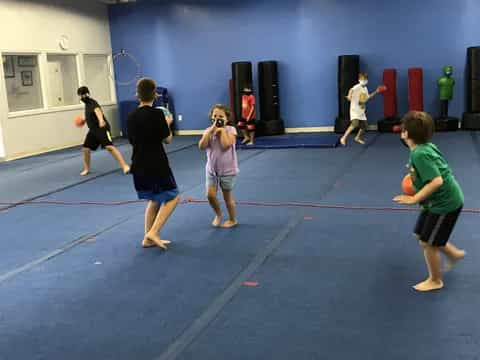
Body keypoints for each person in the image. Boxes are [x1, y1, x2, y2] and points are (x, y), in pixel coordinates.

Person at [393, 111, 466, 292]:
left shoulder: (420, 154)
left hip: (444, 204)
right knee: (421, 234)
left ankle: (435, 280)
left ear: (406, 134)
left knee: (428, 243)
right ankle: (454, 254)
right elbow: (435, 169)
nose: (401, 131)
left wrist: (414, 198)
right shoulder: (424, 147)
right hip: (435, 202)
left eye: (403, 129)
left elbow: (437, 180)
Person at [127, 78, 179, 250]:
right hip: (156, 163)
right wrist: (167, 124)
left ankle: (147, 239)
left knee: (154, 199)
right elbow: (168, 139)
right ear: (155, 94)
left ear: (138, 95)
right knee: (173, 197)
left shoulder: (131, 116)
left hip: (138, 164)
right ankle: (153, 232)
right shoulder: (157, 114)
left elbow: (132, 140)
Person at [198, 104, 239, 228]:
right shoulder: (207, 131)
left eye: (220, 116)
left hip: (228, 171)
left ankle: (232, 219)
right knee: (210, 195)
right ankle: (218, 214)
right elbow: (201, 146)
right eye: (215, 116)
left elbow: (226, 144)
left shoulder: (231, 130)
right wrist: (209, 133)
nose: (217, 119)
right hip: (211, 170)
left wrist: (221, 131)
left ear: (227, 119)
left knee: (228, 198)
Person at [77, 86, 130, 176]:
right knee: (85, 149)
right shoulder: (87, 105)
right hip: (93, 130)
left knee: (109, 147)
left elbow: (97, 111)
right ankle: (87, 169)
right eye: (81, 95)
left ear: (88, 94)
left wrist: (101, 120)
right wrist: (84, 120)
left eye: (84, 95)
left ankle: (125, 166)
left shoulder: (93, 102)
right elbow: (90, 114)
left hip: (102, 129)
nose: (82, 97)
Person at [340, 73, 380, 146]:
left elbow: (368, 97)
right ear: (359, 80)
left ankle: (357, 137)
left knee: (364, 126)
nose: (364, 80)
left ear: (367, 80)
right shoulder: (357, 87)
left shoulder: (365, 89)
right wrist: (349, 95)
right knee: (355, 124)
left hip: (361, 110)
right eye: (362, 79)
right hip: (354, 110)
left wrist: (376, 91)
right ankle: (343, 138)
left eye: (365, 79)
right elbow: (351, 90)